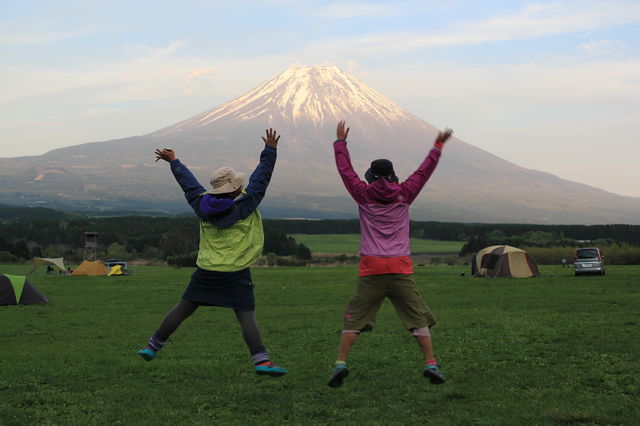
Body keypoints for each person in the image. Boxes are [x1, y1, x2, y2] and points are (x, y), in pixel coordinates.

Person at [137, 129, 287, 377]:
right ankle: (262, 361)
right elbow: (261, 178)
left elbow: (189, 185)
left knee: (183, 308)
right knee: (245, 314)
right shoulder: (246, 203)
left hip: (207, 269)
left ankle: (152, 347)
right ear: (235, 187)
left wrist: (174, 162)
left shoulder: (200, 203)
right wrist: (270, 150)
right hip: (236, 271)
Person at [327, 120, 453, 387]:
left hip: (371, 268)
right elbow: (423, 171)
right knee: (416, 317)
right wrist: (437, 146)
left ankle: (340, 364)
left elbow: (345, 171)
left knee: (354, 317)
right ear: (393, 176)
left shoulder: (362, 193)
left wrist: (340, 142)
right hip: (400, 267)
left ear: (371, 176)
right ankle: (431, 364)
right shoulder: (405, 193)